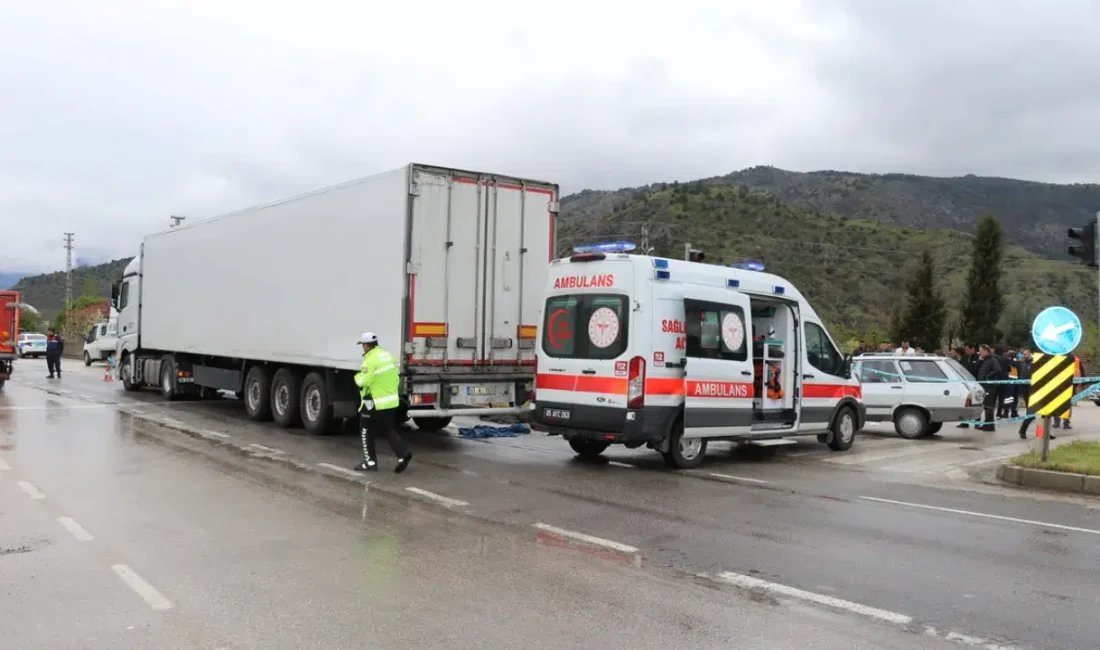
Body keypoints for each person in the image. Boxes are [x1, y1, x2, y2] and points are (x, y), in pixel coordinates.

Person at [352, 332, 412, 473]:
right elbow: (396, 378)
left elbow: (364, 381)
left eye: (363, 345)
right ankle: (403, 454)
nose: (363, 348)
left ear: (366, 345)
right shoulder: (387, 356)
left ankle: (370, 462)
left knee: (365, 429)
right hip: (390, 401)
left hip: (375, 401)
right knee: (388, 429)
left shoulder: (370, 360)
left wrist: (357, 377)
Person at [975, 344, 1002, 432]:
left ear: (986, 351)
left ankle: (990, 425)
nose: (980, 353)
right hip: (983, 385)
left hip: (989, 386)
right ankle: (987, 424)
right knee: (986, 406)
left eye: (981, 351)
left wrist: (988, 377)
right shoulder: (984, 360)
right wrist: (979, 360)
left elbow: (998, 370)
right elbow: (977, 368)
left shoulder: (992, 359)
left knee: (989, 406)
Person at [1053, 353, 1082, 430]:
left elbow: (1079, 371)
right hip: (1068, 385)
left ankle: (1058, 422)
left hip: (1060, 386)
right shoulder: (1075, 358)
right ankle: (1065, 423)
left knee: (1057, 405)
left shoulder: (1057, 357)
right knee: (1066, 405)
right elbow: (1081, 372)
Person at [997, 348, 1019, 419]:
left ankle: (1013, 412)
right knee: (1009, 397)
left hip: (1014, 380)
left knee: (1013, 397)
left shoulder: (1014, 361)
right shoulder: (1007, 360)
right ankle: (1006, 412)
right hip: (1010, 380)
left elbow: (1016, 364)